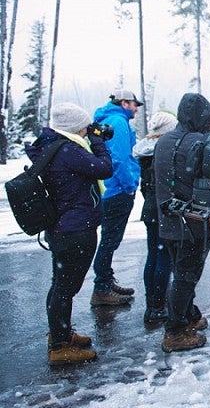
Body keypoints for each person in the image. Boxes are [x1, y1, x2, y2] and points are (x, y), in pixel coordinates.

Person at [25, 103, 113, 365]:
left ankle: (60, 334)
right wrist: (98, 143)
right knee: (66, 287)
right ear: (75, 127)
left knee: (61, 284)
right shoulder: (68, 150)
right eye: (85, 127)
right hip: (75, 227)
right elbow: (104, 168)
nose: (88, 130)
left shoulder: (52, 146)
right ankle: (61, 346)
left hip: (63, 226)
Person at [154, 93, 210, 352]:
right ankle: (175, 330)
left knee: (181, 272)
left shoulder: (164, 140)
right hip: (192, 220)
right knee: (186, 275)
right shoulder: (198, 142)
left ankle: (188, 315)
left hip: (168, 217)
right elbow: (209, 180)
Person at [90, 89, 142, 306]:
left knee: (108, 239)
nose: (136, 108)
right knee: (110, 240)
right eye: (134, 104)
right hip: (117, 189)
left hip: (107, 189)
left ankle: (105, 281)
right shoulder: (118, 123)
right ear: (123, 103)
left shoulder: (105, 120)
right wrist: (129, 185)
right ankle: (101, 287)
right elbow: (120, 158)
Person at [133, 111, 178, 325]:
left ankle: (152, 303)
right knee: (164, 258)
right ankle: (159, 305)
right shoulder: (164, 151)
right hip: (163, 209)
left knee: (153, 255)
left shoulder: (145, 151)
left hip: (150, 208)